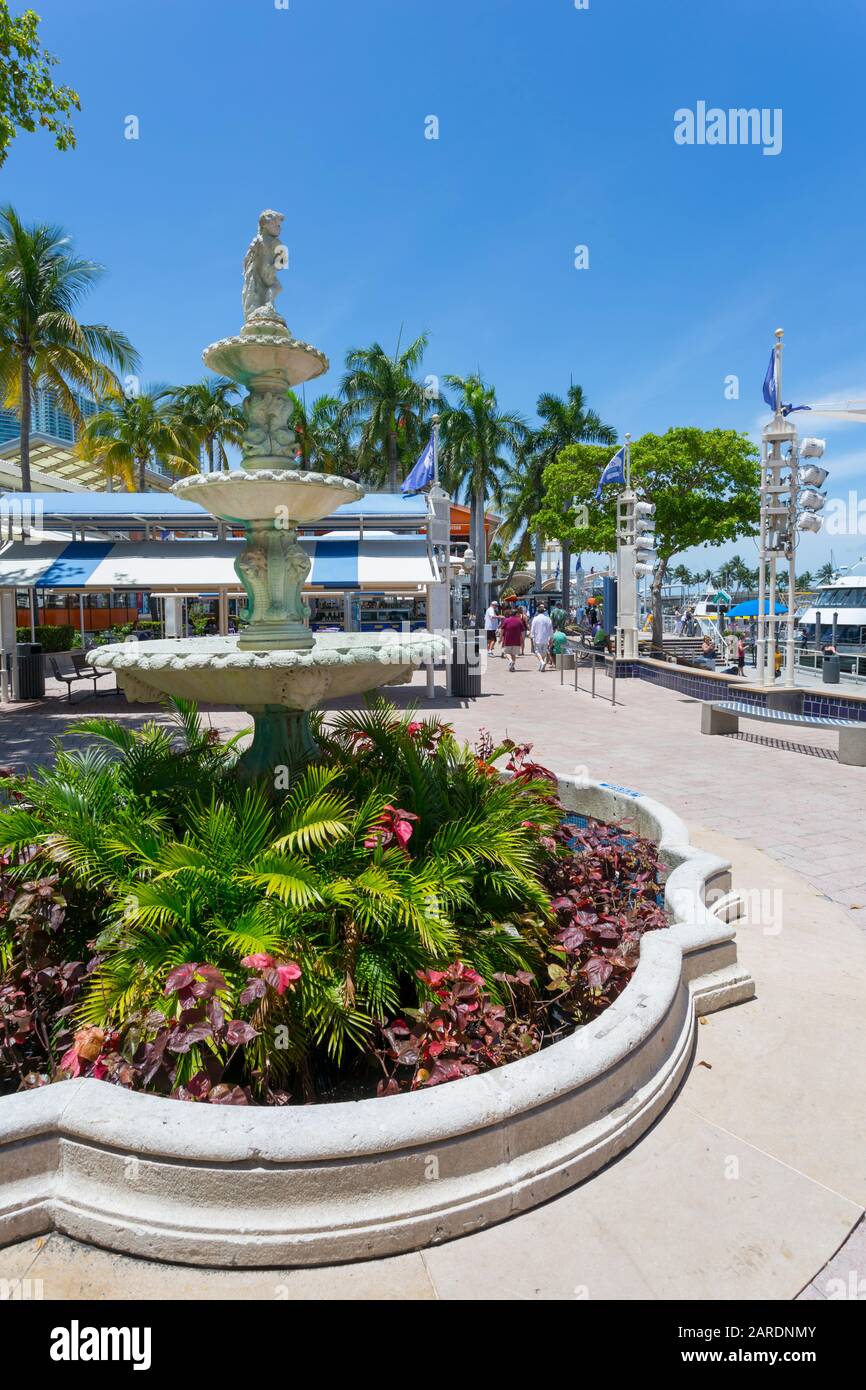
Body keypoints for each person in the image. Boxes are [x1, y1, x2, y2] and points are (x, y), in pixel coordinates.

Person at [499, 606, 526, 672]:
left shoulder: (506, 620)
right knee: (513, 654)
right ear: (516, 614)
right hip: (517, 640)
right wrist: (522, 639)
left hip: (508, 639)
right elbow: (522, 632)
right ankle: (512, 666)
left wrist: (500, 638)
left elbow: (502, 630)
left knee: (506, 653)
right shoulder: (519, 621)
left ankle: (510, 661)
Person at [530, 603, 554, 671]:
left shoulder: (535, 619)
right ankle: (542, 665)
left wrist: (532, 637)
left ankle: (542, 662)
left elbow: (533, 629)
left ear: (537, 611)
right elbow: (551, 629)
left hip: (537, 637)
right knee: (543, 652)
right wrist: (551, 638)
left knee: (537, 651)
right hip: (546, 638)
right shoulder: (548, 619)